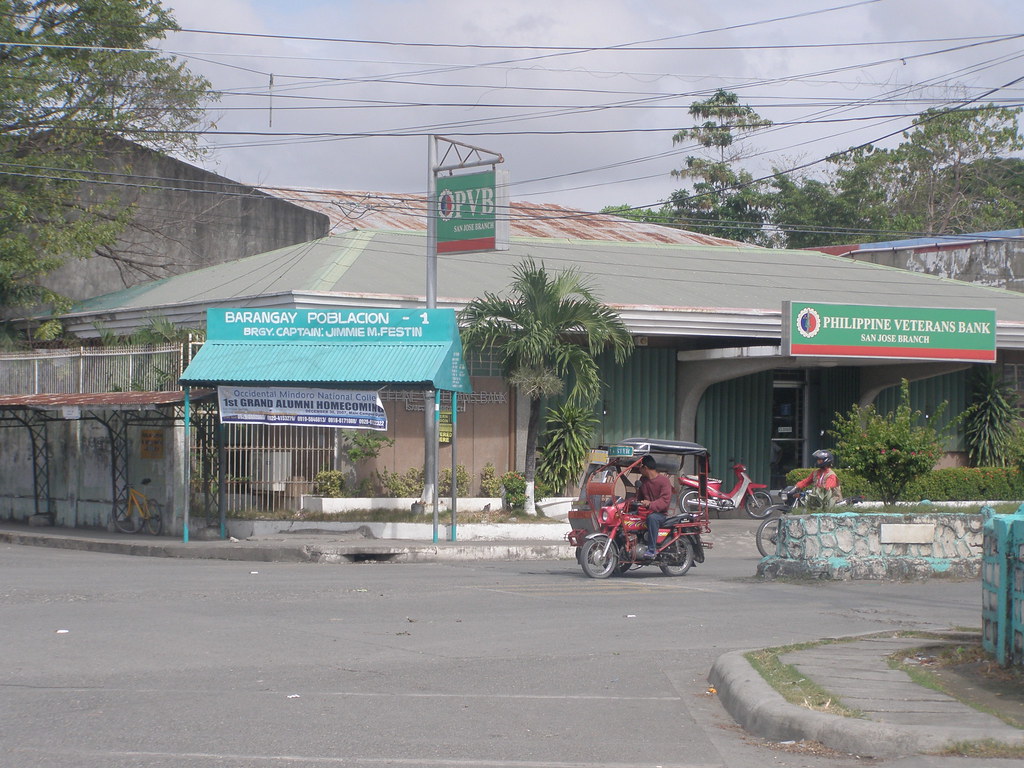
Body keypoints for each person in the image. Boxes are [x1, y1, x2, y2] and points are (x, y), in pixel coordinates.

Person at [636, 454, 673, 558]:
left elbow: (665, 501)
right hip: (646, 511)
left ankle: (652, 550)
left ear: (645, 468)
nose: (639, 470)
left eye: (640, 467)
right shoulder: (643, 480)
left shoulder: (664, 481)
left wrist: (650, 504)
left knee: (652, 518)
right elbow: (639, 497)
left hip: (660, 514)